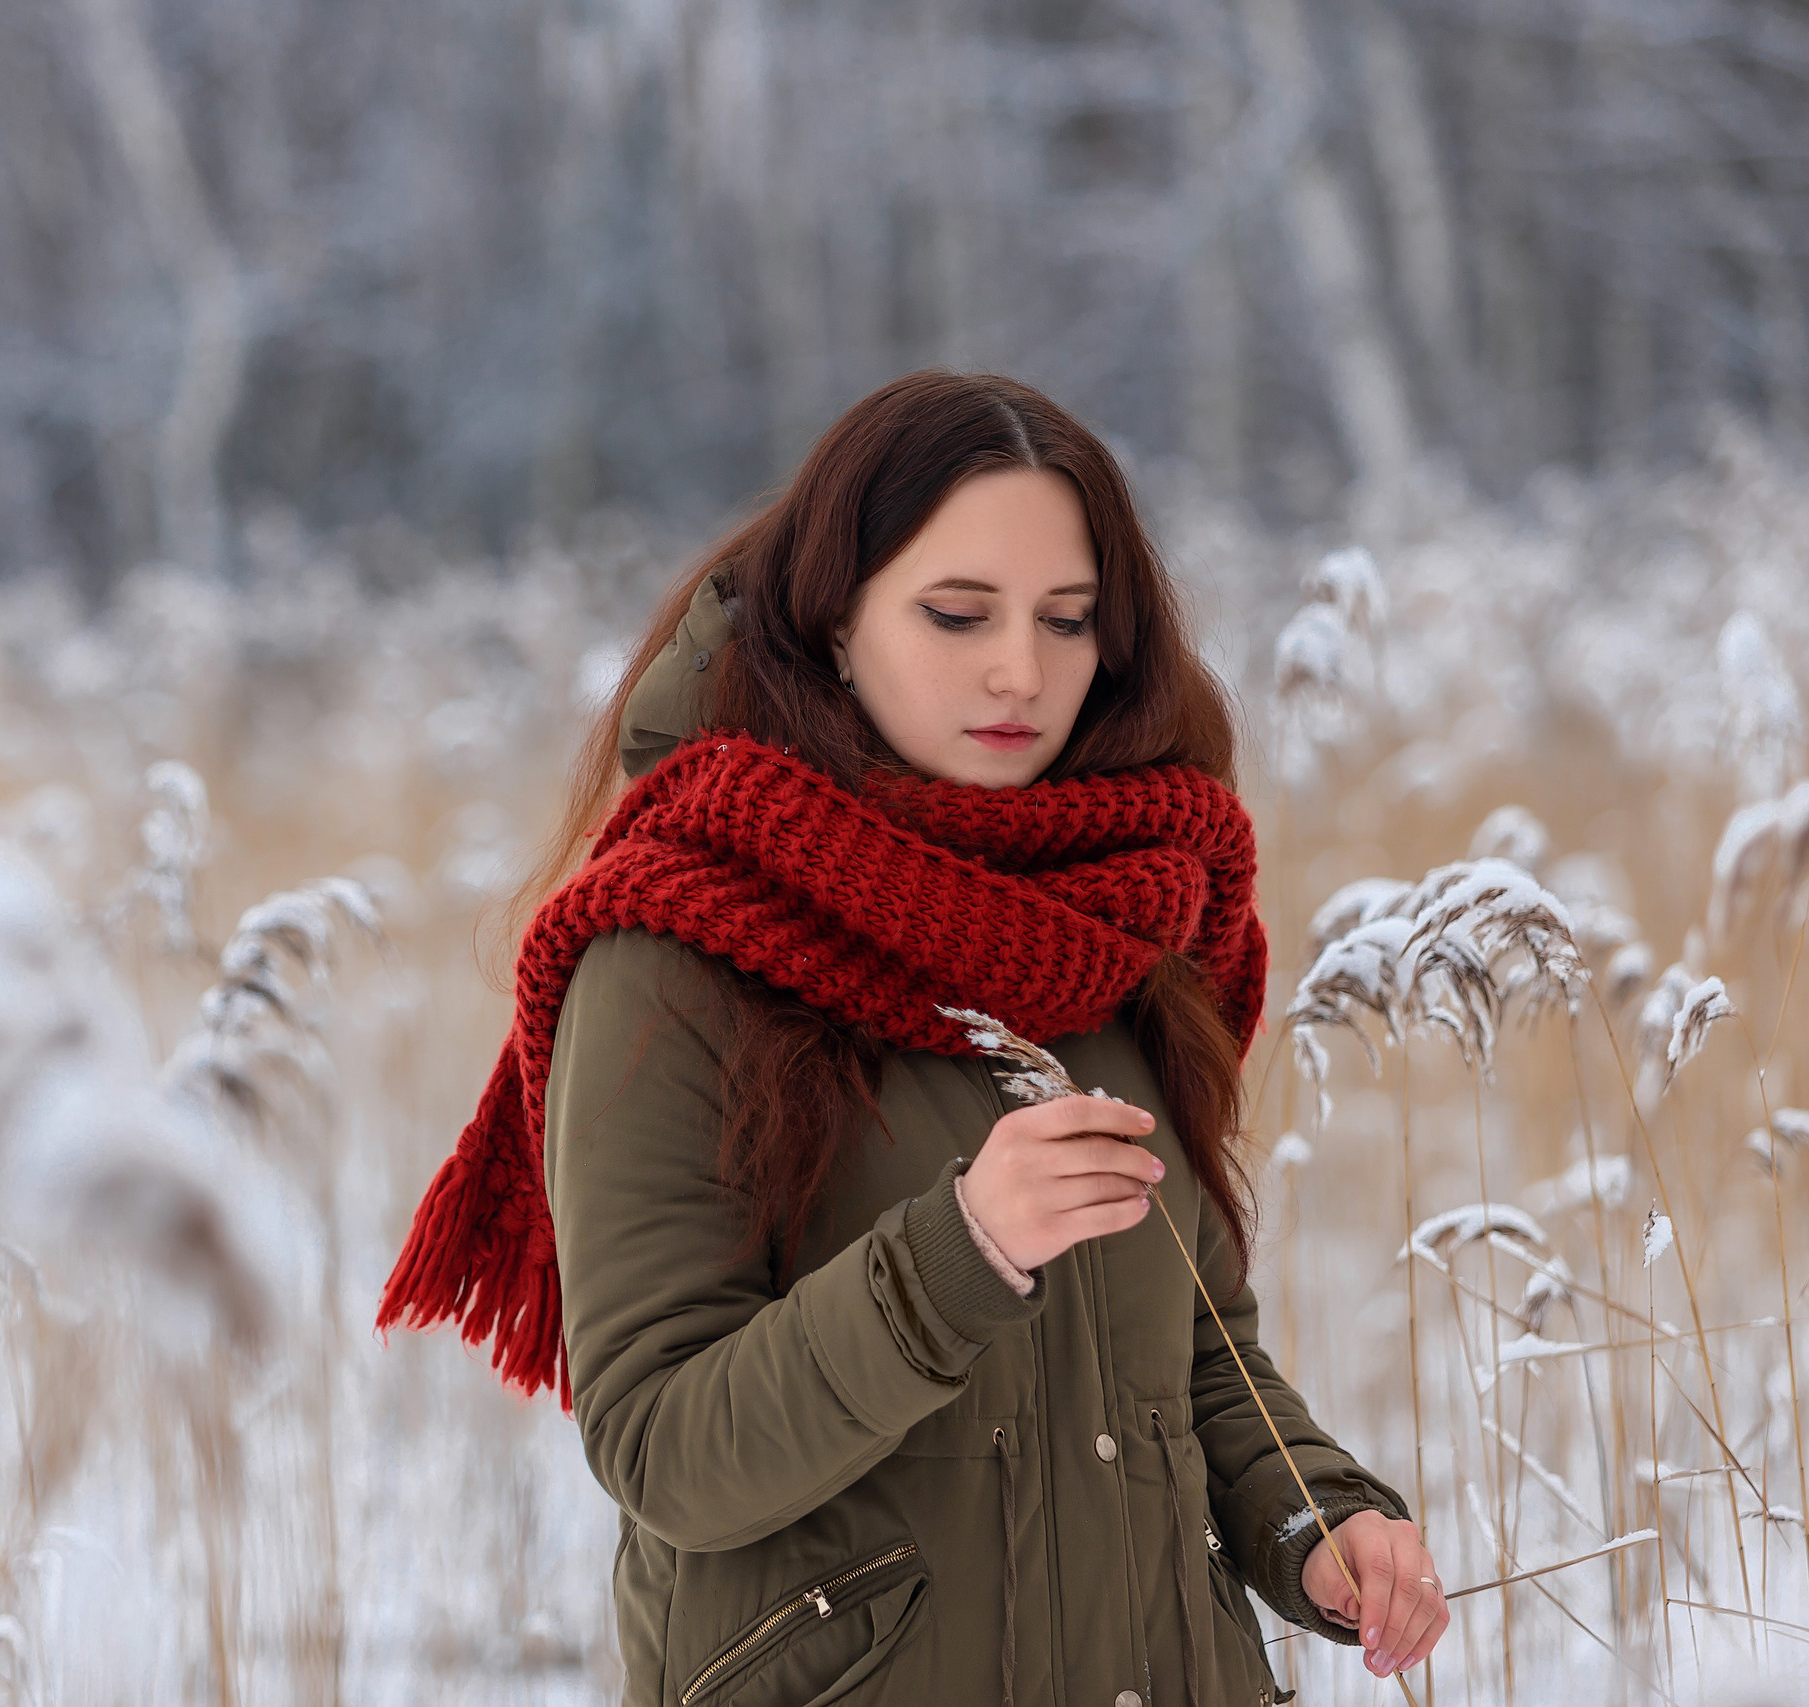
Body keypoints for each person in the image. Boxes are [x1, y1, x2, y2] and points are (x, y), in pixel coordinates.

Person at [377, 369, 1446, 1706]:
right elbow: (665, 1451)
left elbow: (1198, 1350)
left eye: (1069, 622)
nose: (1022, 671)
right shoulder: (674, 947)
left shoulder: (1124, 916)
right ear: (834, 623)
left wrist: (1318, 1522)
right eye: (957, 614)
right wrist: (961, 1251)